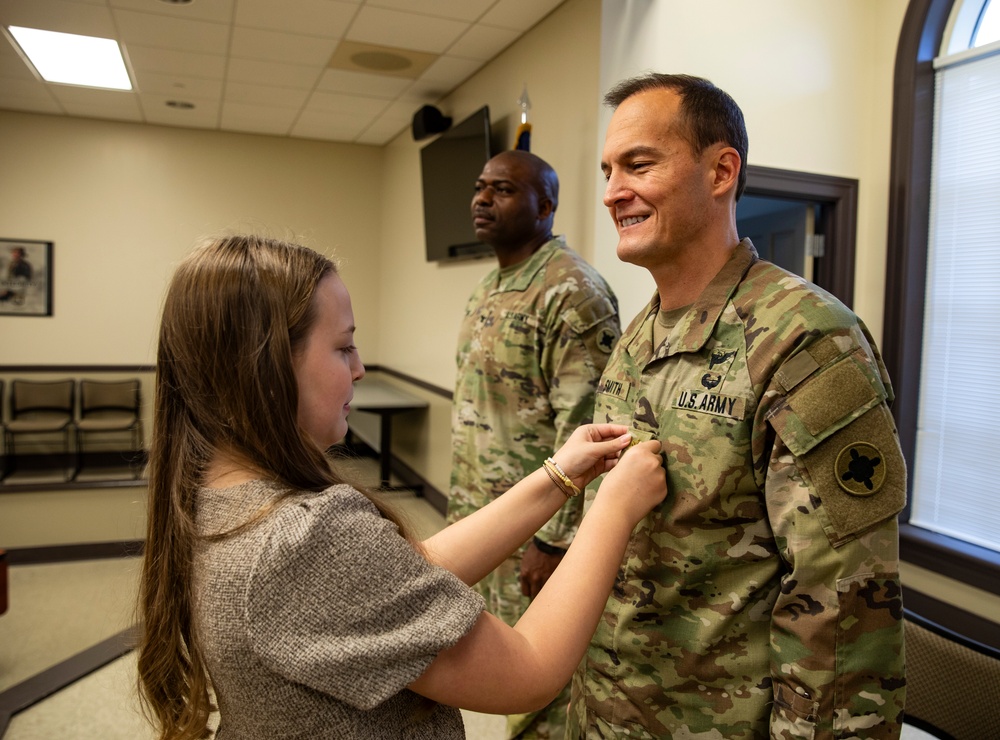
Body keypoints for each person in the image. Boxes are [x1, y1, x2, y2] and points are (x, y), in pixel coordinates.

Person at [136, 234, 667, 740]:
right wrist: (613, 508)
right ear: (266, 366)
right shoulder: (302, 538)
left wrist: (559, 476)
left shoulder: (216, 496)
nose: (360, 368)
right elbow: (529, 669)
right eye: (343, 348)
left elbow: (405, 573)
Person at [567, 73, 907, 739]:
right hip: (608, 714)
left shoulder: (807, 338)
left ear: (720, 171)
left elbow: (842, 609)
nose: (612, 192)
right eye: (608, 171)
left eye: (639, 164)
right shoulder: (637, 339)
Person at [447, 150, 621, 738]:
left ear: (545, 206)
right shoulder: (489, 288)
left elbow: (589, 427)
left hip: (536, 531)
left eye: (502, 190)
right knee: (500, 670)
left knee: (541, 681)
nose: (482, 199)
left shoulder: (573, 293)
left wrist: (554, 540)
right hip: (484, 515)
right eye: (480, 187)